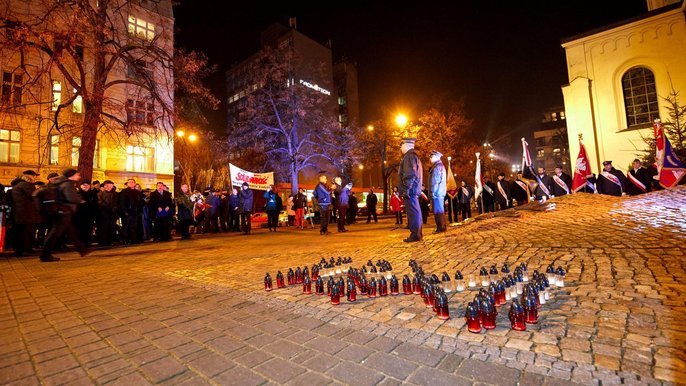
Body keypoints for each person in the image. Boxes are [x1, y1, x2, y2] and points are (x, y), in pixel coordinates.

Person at [40, 168, 89, 262]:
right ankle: (44, 255)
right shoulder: (68, 184)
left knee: (71, 231)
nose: (79, 176)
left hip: (61, 210)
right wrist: (80, 199)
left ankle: (82, 249)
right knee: (55, 233)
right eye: (77, 175)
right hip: (64, 211)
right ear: (72, 175)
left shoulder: (60, 183)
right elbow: (71, 198)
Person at [398, 137, 423, 242]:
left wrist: (406, 189)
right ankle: (417, 233)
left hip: (410, 191)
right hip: (413, 190)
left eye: (401, 145)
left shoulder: (409, 157)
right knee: (415, 211)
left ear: (407, 145)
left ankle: (415, 234)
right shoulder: (413, 157)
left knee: (413, 212)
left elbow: (410, 174)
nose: (400, 147)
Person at [11, 170, 40, 257]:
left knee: (21, 232)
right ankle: (25, 250)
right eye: (34, 176)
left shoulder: (18, 185)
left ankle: (21, 250)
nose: (35, 178)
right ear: (29, 177)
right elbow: (33, 196)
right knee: (27, 232)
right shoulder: (27, 185)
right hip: (27, 214)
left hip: (20, 213)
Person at [119, 178, 142, 244]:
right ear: (128, 184)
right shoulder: (124, 191)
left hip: (135, 212)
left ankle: (133, 239)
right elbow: (122, 203)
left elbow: (140, 203)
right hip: (127, 212)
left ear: (135, 183)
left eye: (132, 182)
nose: (131, 183)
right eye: (129, 182)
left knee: (133, 227)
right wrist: (125, 211)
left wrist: (139, 211)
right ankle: (125, 240)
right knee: (125, 227)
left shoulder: (138, 192)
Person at [429, 150, 447, 233]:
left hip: (437, 193)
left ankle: (441, 228)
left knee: (438, 211)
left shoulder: (437, 167)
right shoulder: (439, 166)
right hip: (439, 192)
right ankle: (441, 227)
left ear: (436, 157)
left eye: (431, 157)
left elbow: (435, 181)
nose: (430, 158)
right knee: (439, 210)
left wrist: (433, 192)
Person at [97, 180, 118, 246]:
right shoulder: (100, 194)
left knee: (112, 228)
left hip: (113, 214)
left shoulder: (116, 194)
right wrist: (110, 208)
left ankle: (111, 241)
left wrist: (115, 208)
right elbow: (100, 203)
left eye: (110, 185)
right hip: (103, 214)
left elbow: (118, 203)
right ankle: (103, 242)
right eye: (107, 185)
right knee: (103, 228)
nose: (108, 187)